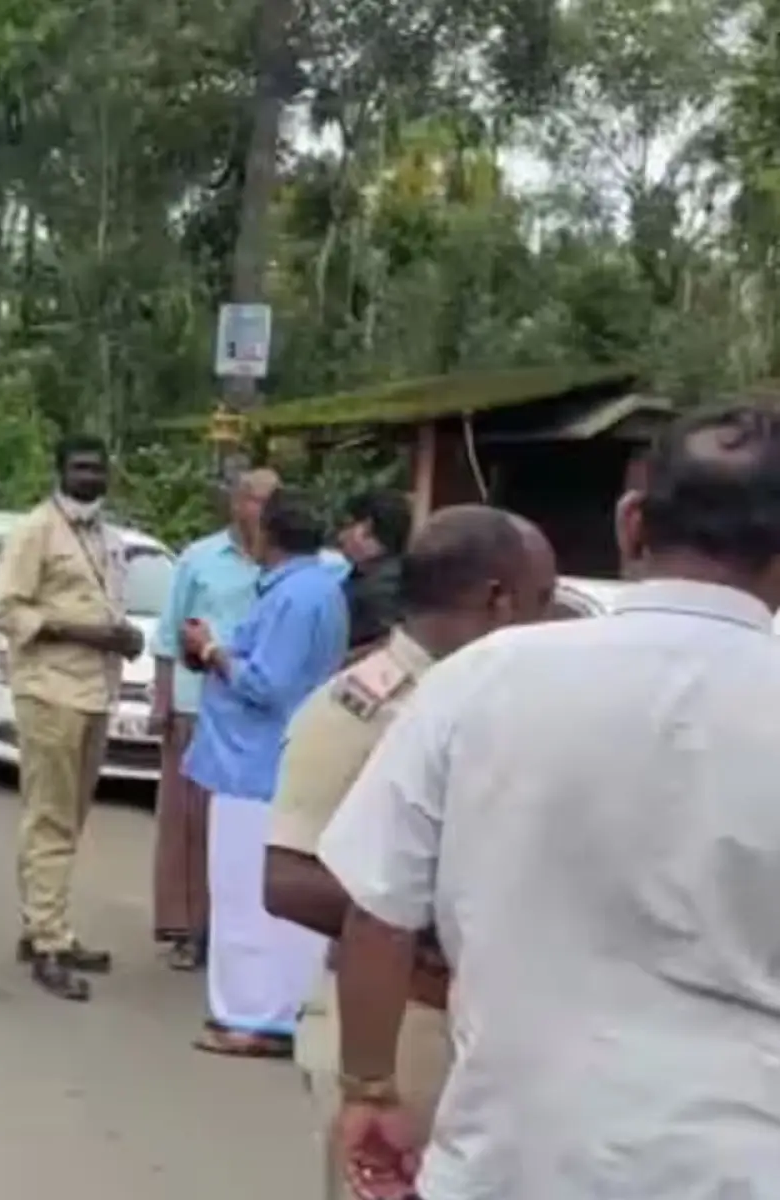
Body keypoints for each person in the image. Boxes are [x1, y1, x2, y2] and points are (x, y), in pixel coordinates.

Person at [321, 405, 780, 1200]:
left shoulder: (477, 679)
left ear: (630, 524)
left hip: (505, 1157)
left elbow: (375, 911)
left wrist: (368, 1086)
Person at [263, 507, 557, 1200]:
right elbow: (286, 878)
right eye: (542, 601)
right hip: (401, 1030)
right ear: (496, 599)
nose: (551, 624)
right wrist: (438, 917)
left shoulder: (511, 700)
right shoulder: (360, 707)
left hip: (487, 1027)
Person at [178, 485, 348, 1055]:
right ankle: (278, 1010)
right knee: (272, 902)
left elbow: (265, 684)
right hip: (280, 759)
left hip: (255, 763)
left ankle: (252, 1017)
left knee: (244, 900)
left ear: (266, 534)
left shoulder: (293, 597)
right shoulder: (321, 588)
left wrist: (210, 650)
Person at [0, 433, 142, 1001]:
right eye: (79, 468)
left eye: (97, 469)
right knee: (50, 818)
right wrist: (89, 633)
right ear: (59, 472)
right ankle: (49, 942)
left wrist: (118, 639)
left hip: (97, 691)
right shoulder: (35, 531)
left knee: (69, 819)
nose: (89, 478)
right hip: (50, 691)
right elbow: (9, 611)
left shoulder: (108, 535)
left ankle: (43, 924)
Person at [150, 467, 279, 972]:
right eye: (254, 500)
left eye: (272, 502)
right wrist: (162, 702)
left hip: (255, 708)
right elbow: (167, 633)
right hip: (194, 702)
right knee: (188, 822)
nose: (262, 512)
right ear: (235, 504)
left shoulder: (290, 566)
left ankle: (236, 928)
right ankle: (187, 928)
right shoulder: (199, 559)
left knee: (243, 825)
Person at [337, 489, 413, 656]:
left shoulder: (384, 588)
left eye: (347, 525)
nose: (341, 536)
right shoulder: (365, 575)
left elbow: (388, 644)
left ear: (367, 531)